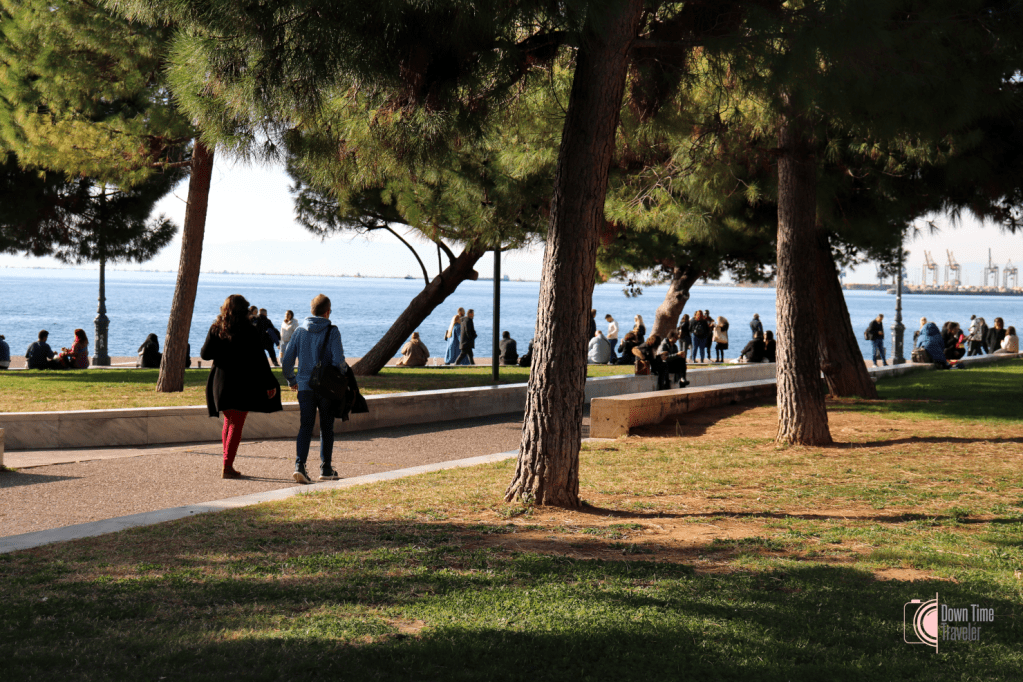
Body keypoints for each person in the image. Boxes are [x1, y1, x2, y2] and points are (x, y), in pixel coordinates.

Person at [201, 294, 283, 479]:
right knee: (236, 424)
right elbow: (260, 360)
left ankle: (227, 463)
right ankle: (227, 466)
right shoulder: (249, 330)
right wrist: (270, 383)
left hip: (221, 381)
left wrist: (221, 349)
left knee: (228, 422)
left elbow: (205, 354)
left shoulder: (216, 328)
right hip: (242, 383)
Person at [281, 293, 345, 483]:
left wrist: (292, 380)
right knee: (327, 426)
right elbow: (338, 361)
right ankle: (326, 468)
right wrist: (343, 374)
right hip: (326, 387)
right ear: (327, 312)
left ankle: (300, 465)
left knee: (305, 426)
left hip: (304, 386)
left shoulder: (299, 332)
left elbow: (286, 361)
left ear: (311, 311)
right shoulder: (332, 331)